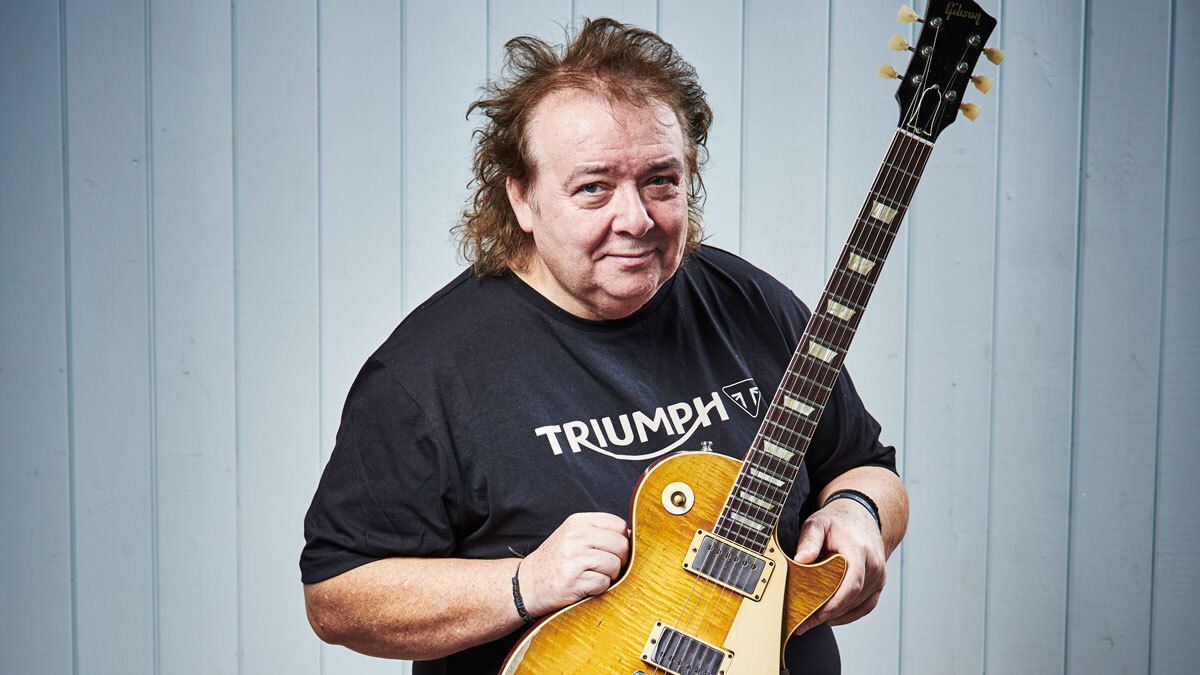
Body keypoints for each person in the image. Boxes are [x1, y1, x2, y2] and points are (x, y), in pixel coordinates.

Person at [300, 17, 908, 675]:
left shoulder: (753, 306)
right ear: (522, 198)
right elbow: (337, 595)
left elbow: (865, 463)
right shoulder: (427, 373)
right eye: (594, 187)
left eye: (661, 180)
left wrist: (860, 510)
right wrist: (522, 583)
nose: (637, 218)